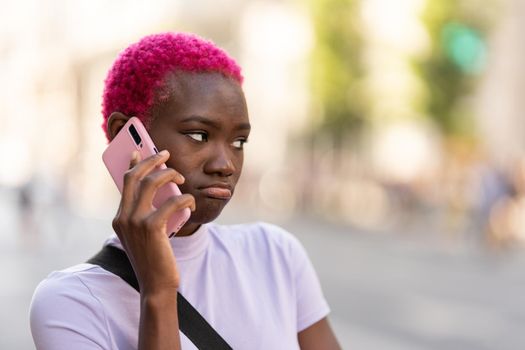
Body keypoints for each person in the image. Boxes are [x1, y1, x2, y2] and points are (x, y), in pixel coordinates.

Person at [29, 32, 340, 350]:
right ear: (124, 133)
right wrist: (159, 291)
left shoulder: (276, 255)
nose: (226, 164)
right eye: (199, 135)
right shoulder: (71, 303)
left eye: (238, 142)